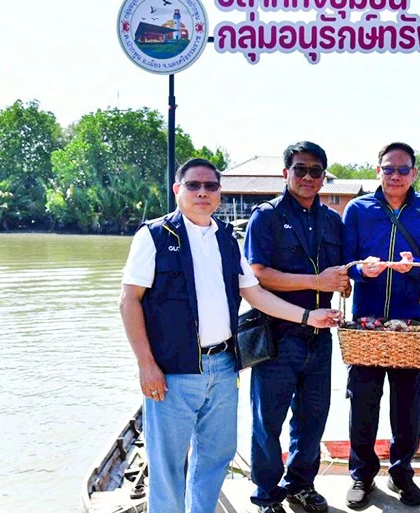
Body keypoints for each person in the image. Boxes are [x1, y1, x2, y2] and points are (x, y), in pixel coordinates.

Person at [118, 158, 342, 513]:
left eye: (210, 186)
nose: (202, 192)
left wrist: (307, 316)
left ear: (219, 192)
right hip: (173, 370)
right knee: (168, 466)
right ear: (177, 190)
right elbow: (129, 300)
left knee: (216, 456)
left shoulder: (225, 238)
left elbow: (255, 293)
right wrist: (146, 364)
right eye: (193, 185)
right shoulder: (155, 236)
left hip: (223, 366)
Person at [244, 142, 352, 513]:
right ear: (285, 172)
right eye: (300, 169)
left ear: (324, 176)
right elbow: (258, 274)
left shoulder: (333, 221)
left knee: (313, 418)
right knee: (268, 420)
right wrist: (316, 282)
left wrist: (351, 279)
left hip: (320, 336)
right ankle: (266, 494)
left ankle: (301, 485)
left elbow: (342, 272)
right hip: (276, 335)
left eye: (315, 171)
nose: (308, 177)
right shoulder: (267, 217)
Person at [341, 142, 420, 509]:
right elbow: (345, 262)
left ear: (414, 173)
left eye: (403, 170)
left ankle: (401, 472)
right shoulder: (358, 209)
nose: (396, 176)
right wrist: (362, 270)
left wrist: (415, 265)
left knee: (409, 405)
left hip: (411, 322)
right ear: (378, 171)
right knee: (362, 402)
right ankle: (362, 474)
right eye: (389, 169)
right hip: (366, 324)